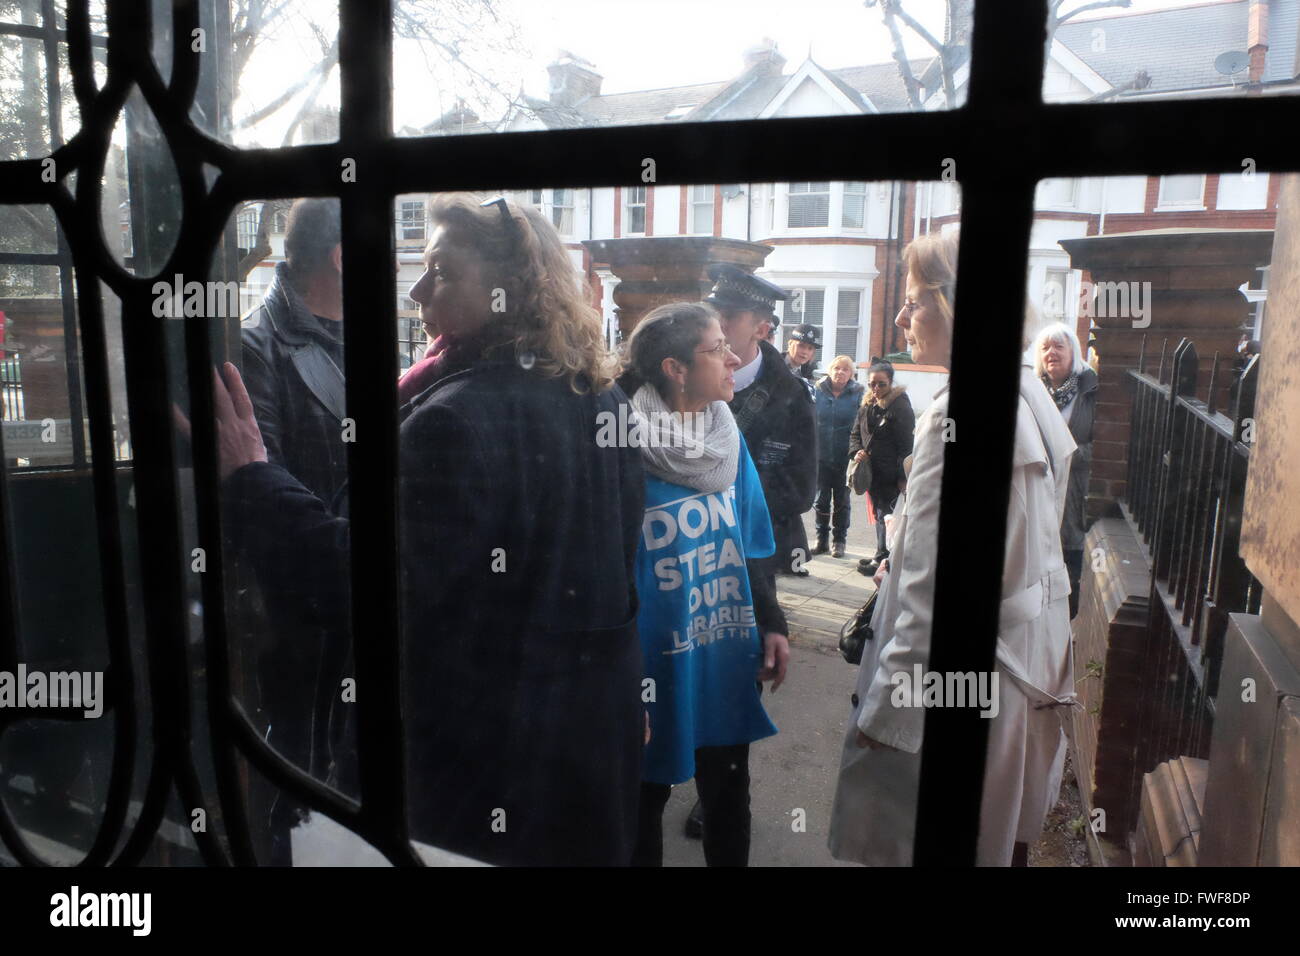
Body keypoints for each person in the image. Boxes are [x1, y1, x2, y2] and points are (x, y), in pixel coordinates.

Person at [212, 193, 646, 867]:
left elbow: (358, 584)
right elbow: (616, 577)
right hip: (578, 751)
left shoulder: (456, 418)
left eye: (441, 271)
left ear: (510, 286)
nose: (415, 289)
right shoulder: (599, 395)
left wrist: (252, 477)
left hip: (476, 767)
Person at [827, 231, 1078, 867]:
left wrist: (888, 716)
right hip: (1020, 670)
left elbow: (931, 593)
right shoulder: (1029, 394)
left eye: (915, 303)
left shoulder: (953, 415)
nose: (903, 318)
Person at [617, 301, 790, 867]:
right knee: (643, 800)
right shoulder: (619, 445)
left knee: (727, 795)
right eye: (717, 350)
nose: (734, 358)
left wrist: (772, 623)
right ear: (676, 368)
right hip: (649, 664)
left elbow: (752, 543)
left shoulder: (727, 440)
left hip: (721, 647)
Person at [708, 264, 817, 580]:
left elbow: (801, 488)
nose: (717, 323)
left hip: (752, 552)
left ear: (760, 329)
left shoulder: (792, 395)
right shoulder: (687, 378)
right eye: (713, 312)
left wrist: (726, 501)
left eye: (728, 316)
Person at [1032, 321, 1098, 620]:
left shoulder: (1092, 390)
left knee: (1070, 565)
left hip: (1075, 496)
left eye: (1059, 346)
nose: (1051, 353)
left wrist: (1064, 454)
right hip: (1037, 492)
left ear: (1074, 350)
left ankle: (1065, 626)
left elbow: (1103, 445)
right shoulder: (1033, 392)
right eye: (1045, 347)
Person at [849, 359, 914, 577]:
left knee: (889, 517)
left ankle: (885, 559)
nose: (875, 389)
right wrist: (856, 451)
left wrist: (901, 477)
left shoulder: (900, 406)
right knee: (880, 515)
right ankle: (881, 554)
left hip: (890, 475)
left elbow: (906, 446)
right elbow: (855, 433)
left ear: (891, 383)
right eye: (872, 384)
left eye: (881, 384)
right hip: (871, 473)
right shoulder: (867, 404)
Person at [812, 355, 865, 558]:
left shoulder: (858, 392)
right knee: (821, 499)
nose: (840, 372)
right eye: (836, 368)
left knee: (842, 500)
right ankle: (821, 540)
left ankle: (839, 541)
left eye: (845, 369)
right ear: (830, 370)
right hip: (821, 455)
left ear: (851, 374)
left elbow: (863, 425)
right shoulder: (817, 390)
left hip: (846, 456)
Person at [784, 323, 819, 391]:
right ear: (790, 344)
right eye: (801, 346)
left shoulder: (810, 373)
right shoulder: (774, 364)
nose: (805, 352)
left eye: (810, 348)